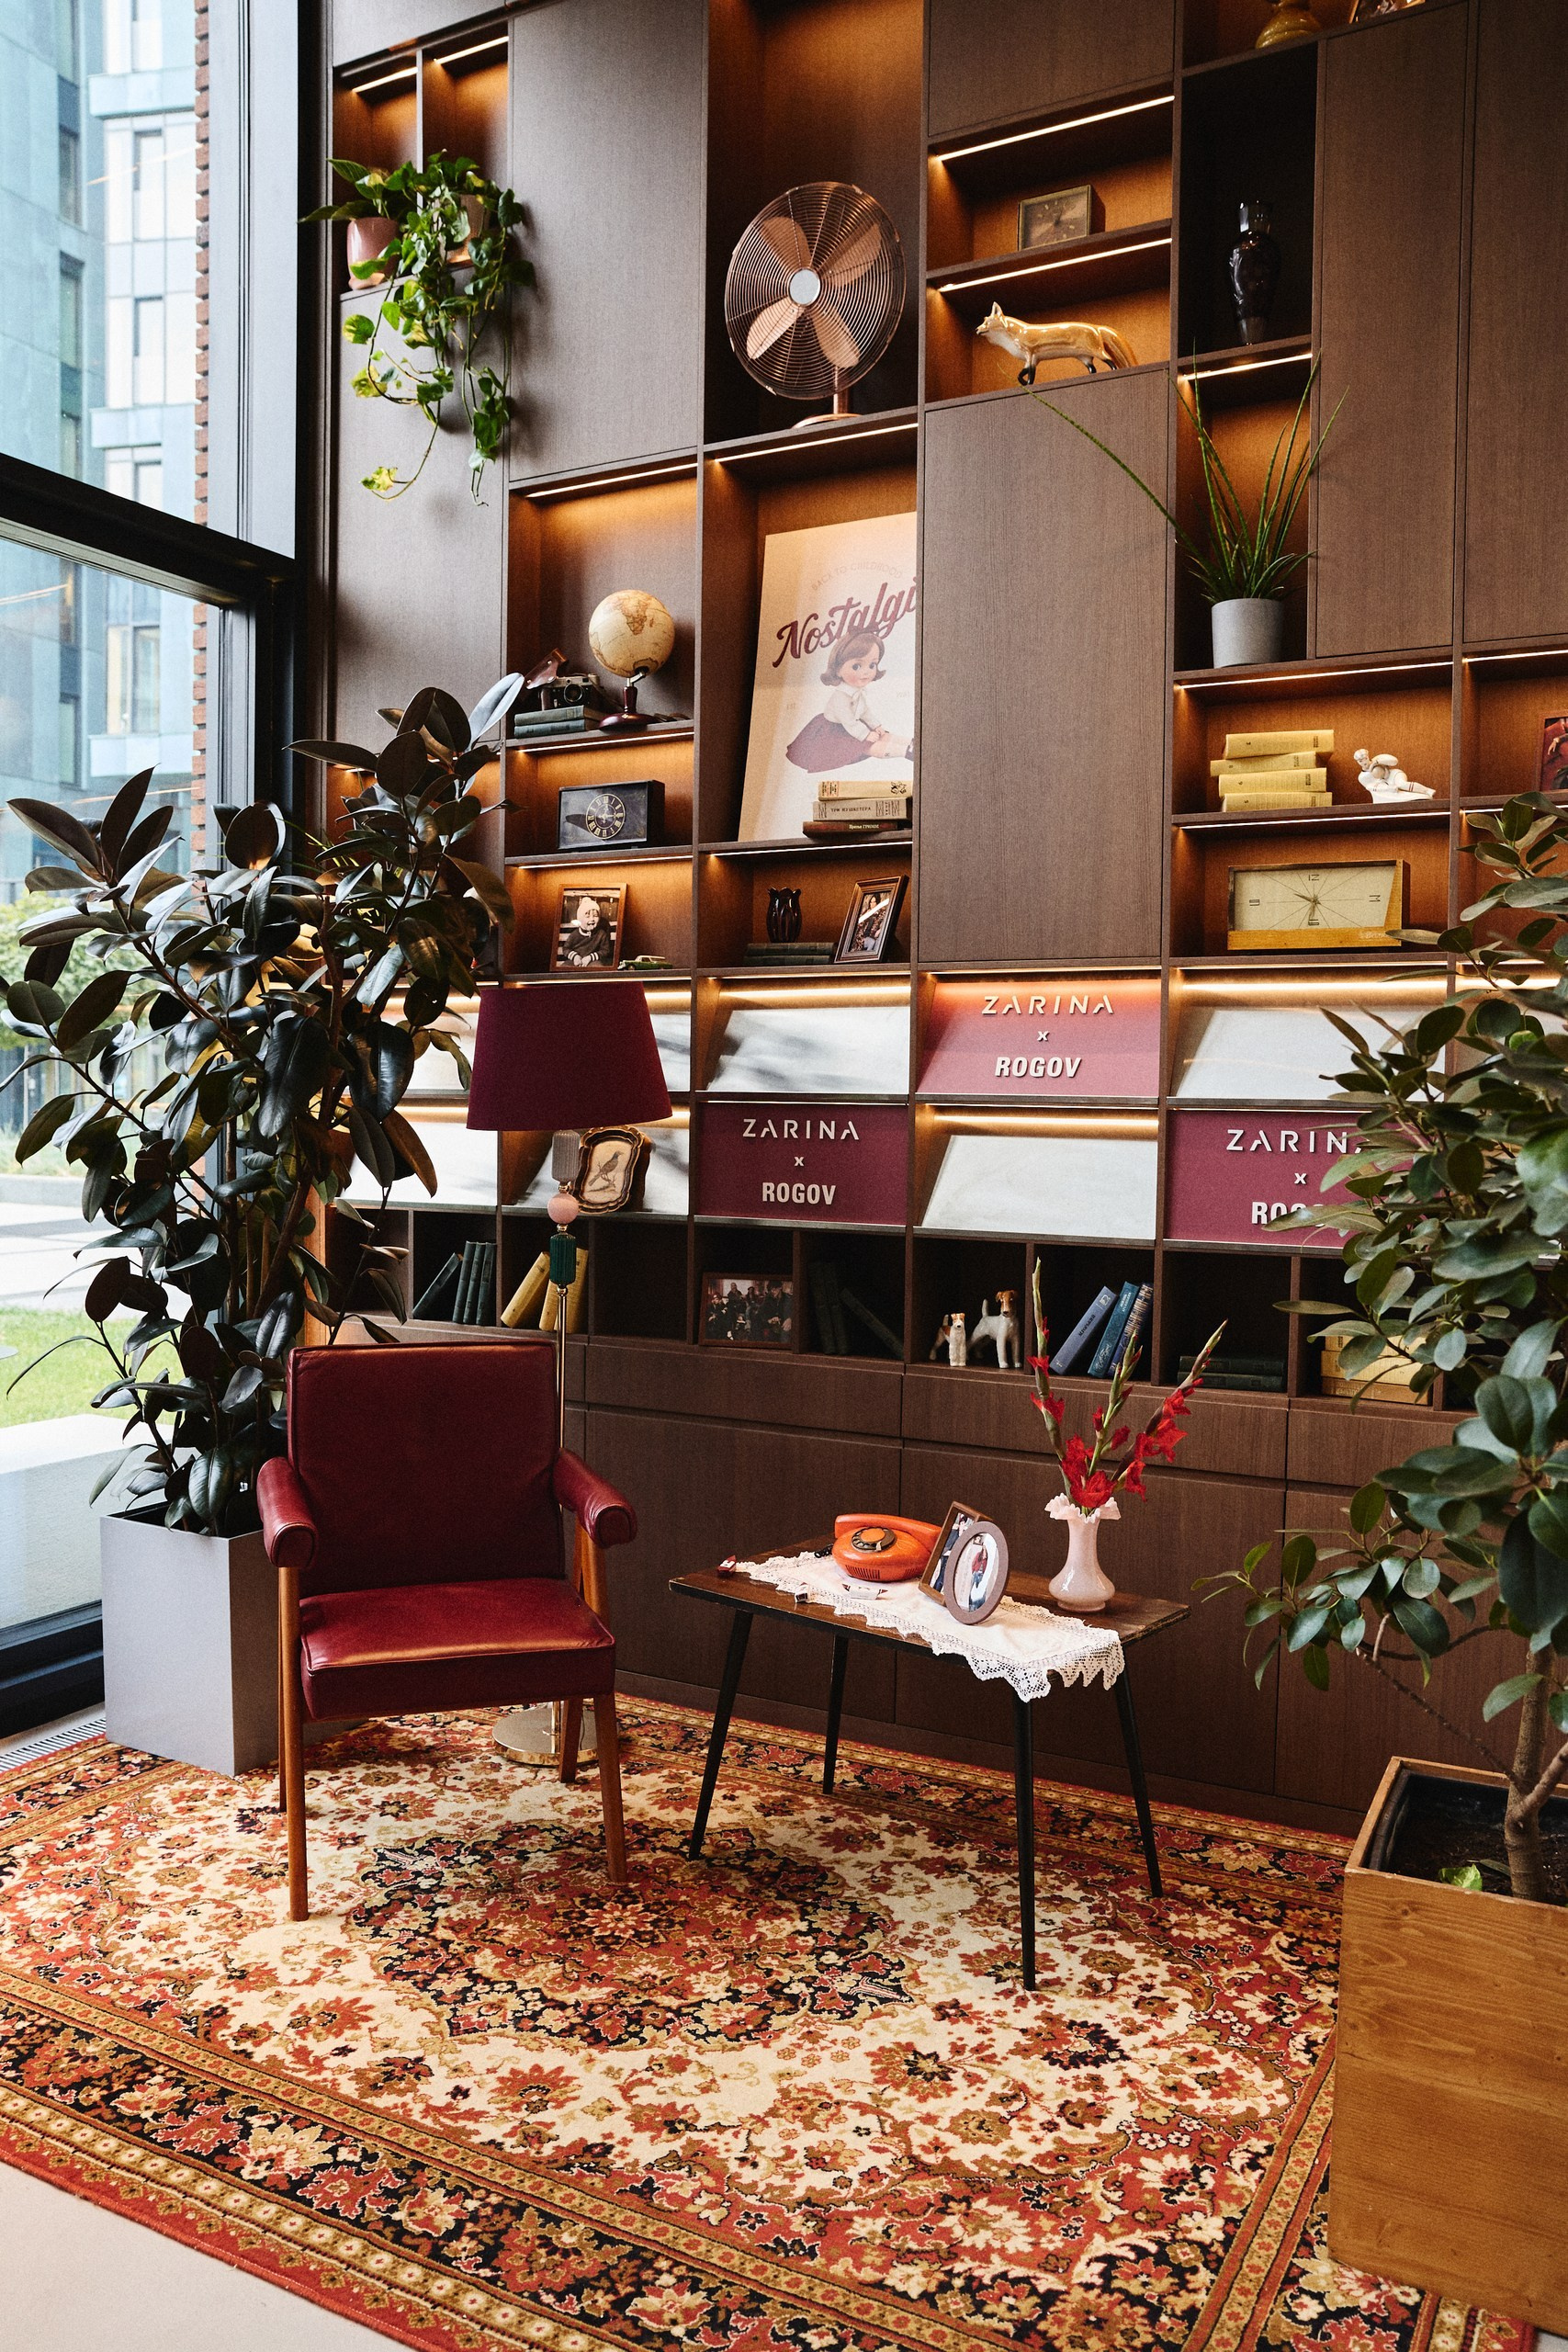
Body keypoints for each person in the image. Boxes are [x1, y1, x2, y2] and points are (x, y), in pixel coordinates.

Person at [784, 631, 905, 773]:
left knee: (883, 735)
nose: (866, 672)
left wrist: (875, 725)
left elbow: (864, 711)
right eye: (856, 666)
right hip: (833, 731)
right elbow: (848, 721)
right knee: (871, 747)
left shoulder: (857, 692)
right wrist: (866, 734)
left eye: (872, 665)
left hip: (852, 727)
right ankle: (906, 752)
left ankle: (911, 744)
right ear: (838, 670)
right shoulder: (840, 697)